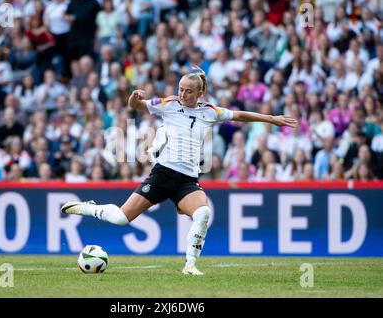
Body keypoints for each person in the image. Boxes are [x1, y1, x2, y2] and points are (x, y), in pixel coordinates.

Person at [61, 66, 297, 275]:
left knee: (203, 214)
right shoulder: (168, 105)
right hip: (162, 173)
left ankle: (190, 265)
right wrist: (134, 97)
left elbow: (239, 115)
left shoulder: (209, 112)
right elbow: (138, 106)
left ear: (199, 93)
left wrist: (270, 118)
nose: (183, 94)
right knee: (122, 219)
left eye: (188, 91)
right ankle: (90, 208)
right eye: (181, 89)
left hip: (187, 180)